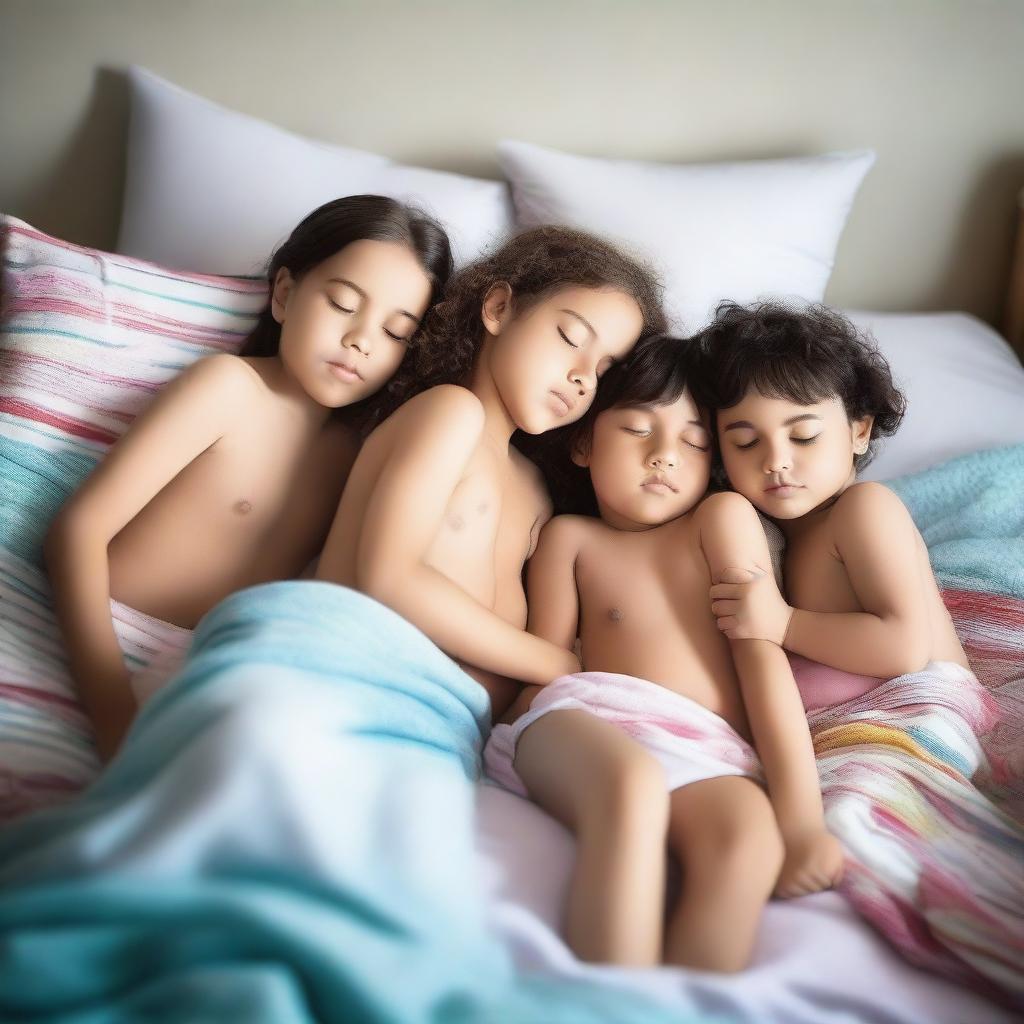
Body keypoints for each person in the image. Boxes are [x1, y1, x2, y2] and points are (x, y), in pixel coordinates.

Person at [44, 195, 453, 760]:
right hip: (99, 634)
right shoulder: (229, 388)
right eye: (342, 302)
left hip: (220, 669)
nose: (362, 339)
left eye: (396, 331)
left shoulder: (358, 452)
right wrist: (113, 708)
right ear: (284, 293)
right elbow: (77, 531)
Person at [484, 335, 843, 972]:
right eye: (636, 429)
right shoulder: (571, 538)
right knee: (629, 789)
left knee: (746, 840)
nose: (663, 457)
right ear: (585, 442)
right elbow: (543, 656)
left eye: (694, 442)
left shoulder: (719, 519)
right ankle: (608, 1000)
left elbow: (763, 667)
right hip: (585, 717)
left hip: (703, 743)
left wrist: (800, 821)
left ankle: (682, 1001)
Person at [314, 226, 665, 722]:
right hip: (346, 678)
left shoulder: (536, 491)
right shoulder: (450, 413)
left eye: (604, 369)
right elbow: (388, 577)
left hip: (438, 725)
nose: (583, 376)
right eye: (570, 338)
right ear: (498, 308)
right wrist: (559, 663)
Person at [691, 301, 969, 706]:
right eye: (745, 443)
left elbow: (903, 649)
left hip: (926, 709)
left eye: (803, 435)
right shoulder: (759, 531)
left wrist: (784, 624)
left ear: (859, 431)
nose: (776, 461)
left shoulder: (864, 509)